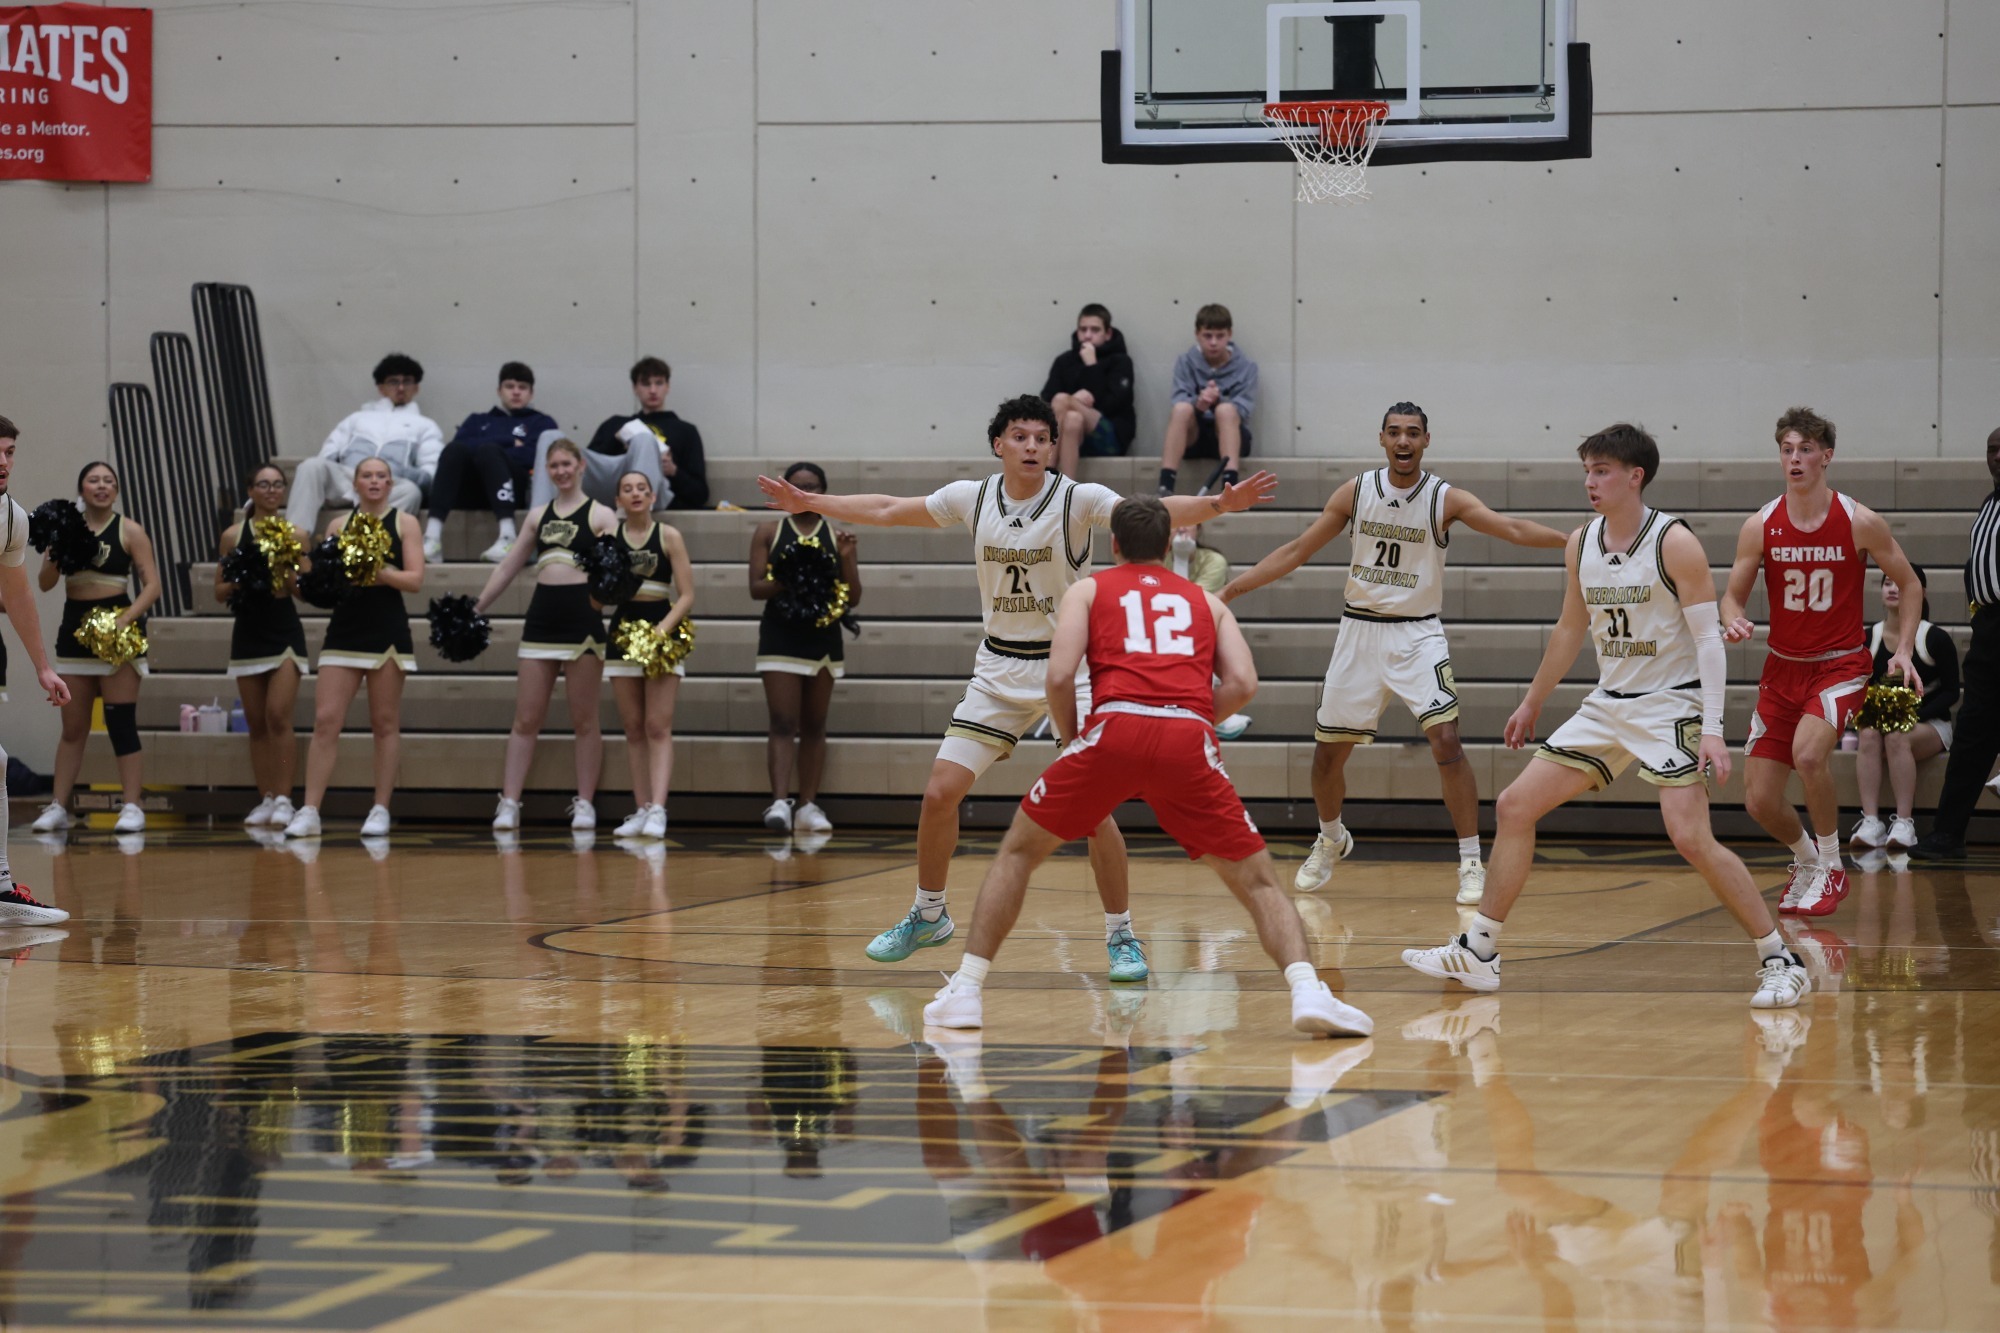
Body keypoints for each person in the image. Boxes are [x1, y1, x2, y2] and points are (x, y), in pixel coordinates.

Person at [756, 395, 1276, 977]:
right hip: (999, 669)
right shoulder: (972, 498)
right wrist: (809, 502)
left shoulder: (1076, 500)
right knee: (938, 794)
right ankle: (929, 914)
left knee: (1095, 813)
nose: (1032, 447)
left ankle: (1122, 936)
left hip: (1071, 670)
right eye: (1020, 437)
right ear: (999, 444)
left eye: (1041, 438)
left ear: (1054, 447)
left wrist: (1217, 505)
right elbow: (885, 507)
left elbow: (1150, 509)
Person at [920, 497, 1371, 1039]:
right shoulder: (1207, 601)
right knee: (1258, 884)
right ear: (1168, 544)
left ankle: (966, 993)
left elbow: (1059, 677)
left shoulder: (1088, 589)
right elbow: (1245, 684)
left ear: (1113, 545)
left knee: (1017, 854)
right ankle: (1306, 991)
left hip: (1112, 729)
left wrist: (1075, 738)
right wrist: (1197, 719)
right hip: (1187, 735)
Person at [1402, 423, 1812, 1009]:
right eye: (1587, 471)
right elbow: (1572, 627)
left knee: (1691, 837)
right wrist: (1533, 700)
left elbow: (1710, 642)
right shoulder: (1581, 542)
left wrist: (1716, 729)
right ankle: (1480, 951)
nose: (1590, 482)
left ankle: (1780, 958)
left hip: (1671, 703)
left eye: (1601, 471)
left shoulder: (1674, 542)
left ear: (1634, 476)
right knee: (1516, 806)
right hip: (1608, 704)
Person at [1223, 403, 1569, 903]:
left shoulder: (1444, 498)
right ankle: (1331, 837)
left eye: (1412, 433)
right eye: (1394, 433)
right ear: (1381, 439)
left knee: (1447, 741)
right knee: (1326, 759)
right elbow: (1297, 551)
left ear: (1427, 439)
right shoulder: (1356, 492)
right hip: (1359, 634)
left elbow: (1510, 528)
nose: (1403, 441)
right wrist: (1230, 592)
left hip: (1417, 635)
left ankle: (1471, 861)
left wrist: (1571, 543)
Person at [1719, 406, 1924, 916]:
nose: (1795, 459)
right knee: (1759, 800)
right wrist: (1734, 618)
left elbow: (1912, 582)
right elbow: (1730, 597)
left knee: (1809, 756)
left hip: (1840, 665)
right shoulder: (1760, 525)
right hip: (1782, 668)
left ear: (1826, 456)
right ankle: (1808, 860)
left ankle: (1832, 868)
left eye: (1805, 449)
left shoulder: (1858, 520)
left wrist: (1902, 649)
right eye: (1787, 450)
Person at [477, 438, 618, 834]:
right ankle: (509, 802)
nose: (560, 471)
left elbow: (616, 575)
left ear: (580, 466)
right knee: (526, 718)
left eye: (565, 464)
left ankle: (585, 803)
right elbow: (508, 567)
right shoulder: (537, 515)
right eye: (553, 465)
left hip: (582, 618)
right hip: (541, 618)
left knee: (584, 719)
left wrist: (600, 603)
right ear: (545, 471)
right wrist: (478, 607)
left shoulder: (602, 515)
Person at [283, 457, 426, 839]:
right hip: (345, 628)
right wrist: (293, 563)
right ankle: (310, 809)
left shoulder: (405, 523)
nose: (375, 481)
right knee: (326, 720)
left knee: (384, 723)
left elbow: (414, 580)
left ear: (391, 484)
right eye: (367, 475)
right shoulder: (337, 525)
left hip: (387, 628)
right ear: (356, 485)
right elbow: (323, 583)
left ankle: (380, 808)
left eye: (382, 475)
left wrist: (372, 568)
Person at [30, 460, 161, 836]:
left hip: (118, 635)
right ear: (82, 488)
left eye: (108, 481)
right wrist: (56, 548)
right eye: (93, 480)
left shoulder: (130, 530)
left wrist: (124, 620)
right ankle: (57, 807)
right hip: (74, 632)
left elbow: (152, 585)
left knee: (121, 722)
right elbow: (44, 583)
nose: (101, 486)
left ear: (116, 490)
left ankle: (133, 806)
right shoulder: (66, 527)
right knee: (73, 727)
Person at [750, 462, 860, 835]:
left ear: (822, 492)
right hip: (780, 634)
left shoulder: (837, 534)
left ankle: (808, 806)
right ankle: (780, 802)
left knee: (815, 724)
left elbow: (853, 597)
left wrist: (845, 559)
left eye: (810, 487)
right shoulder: (769, 531)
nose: (802, 493)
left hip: (824, 638)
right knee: (782, 721)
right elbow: (755, 588)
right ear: (785, 491)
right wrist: (791, 573)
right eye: (795, 487)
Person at [1913, 426, 2000, 860]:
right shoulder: (1989, 504)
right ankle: (1948, 834)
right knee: (1973, 733)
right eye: (1992, 449)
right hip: (1988, 629)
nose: (1998, 456)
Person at [0, 415, 74, 927]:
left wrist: (43, 667)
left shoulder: (10, 517)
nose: (4, 462)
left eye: (9, 453)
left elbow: (17, 592)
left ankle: (2, 889)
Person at [215, 463, 310, 830]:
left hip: (284, 628)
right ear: (251, 490)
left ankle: (285, 798)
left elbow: (306, 589)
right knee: (255, 723)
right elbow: (219, 591)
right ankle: (267, 797)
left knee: (278, 716)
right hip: (248, 631)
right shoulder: (232, 536)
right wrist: (245, 576)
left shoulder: (296, 534)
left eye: (277, 485)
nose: (271, 490)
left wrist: (284, 569)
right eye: (263, 484)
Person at [603, 470, 695, 840]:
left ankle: (658, 808)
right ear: (618, 501)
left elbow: (687, 594)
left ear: (652, 496)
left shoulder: (669, 535)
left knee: (658, 725)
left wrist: (661, 631)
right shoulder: (609, 539)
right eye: (628, 489)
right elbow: (598, 595)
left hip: (662, 627)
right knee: (633, 727)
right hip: (623, 629)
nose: (635, 494)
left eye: (642, 488)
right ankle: (640, 809)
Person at [1851, 566, 1958, 851]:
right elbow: (1858, 687)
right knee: (1869, 734)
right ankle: (1871, 822)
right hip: (1884, 729)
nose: (1893, 588)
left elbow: (1951, 692)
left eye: (1901, 583)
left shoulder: (1935, 639)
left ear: (1920, 593)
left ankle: (1904, 824)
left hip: (1931, 725)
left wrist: (1911, 716)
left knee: (1897, 736)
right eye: (1888, 582)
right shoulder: (1868, 638)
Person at [424, 361, 558, 564]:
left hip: (513, 488)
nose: (515, 392)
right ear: (499, 390)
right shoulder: (478, 420)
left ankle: (507, 537)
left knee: (488, 451)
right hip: (473, 489)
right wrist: (509, 442)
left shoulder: (541, 422)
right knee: (453, 451)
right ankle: (432, 537)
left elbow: (532, 457)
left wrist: (490, 450)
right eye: (510, 386)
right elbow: (460, 448)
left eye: (522, 388)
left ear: (531, 393)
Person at [287, 353, 440, 530]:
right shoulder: (357, 418)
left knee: (411, 491)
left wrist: (395, 472)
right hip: (349, 479)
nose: (400, 387)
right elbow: (329, 451)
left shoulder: (426, 426)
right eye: (393, 381)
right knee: (311, 466)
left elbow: (429, 472)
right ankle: (295, 539)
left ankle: (373, 543)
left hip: (389, 484)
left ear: (416, 388)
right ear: (381, 388)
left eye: (407, 381)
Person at [539, 356, 710, 512]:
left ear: (667, 387)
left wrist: (673, 471)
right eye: (645, 384)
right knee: (550, 437)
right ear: (635, 388)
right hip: (609, 486)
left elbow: (700, 495)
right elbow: (589, 468)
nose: (652, 390)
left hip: (654, 492)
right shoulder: (615, 424)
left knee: (643, 440)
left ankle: (633, 526)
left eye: (658, 383)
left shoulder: (685, 430)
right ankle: (540, 523)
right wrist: (616, 442)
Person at [1158, 304, 1256, 497]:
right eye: (1208, 336)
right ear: (1197, 334)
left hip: (1229, 434)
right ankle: (1165, 485)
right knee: (1181, 409)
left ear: (1229, 334)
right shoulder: (1185, 362)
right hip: (1193, 435)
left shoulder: (1247, 367)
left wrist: (1219, 401)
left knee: (1226, 411)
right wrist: (1199, 404)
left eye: (1219, 336)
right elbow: (1179, 398)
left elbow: (1244, 408)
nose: (1213, 342)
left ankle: (1231, 487)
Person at [1042, 303, 1137, 479]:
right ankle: (1066, 488)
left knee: (1063, 399)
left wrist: (1092, 366)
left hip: (1110, 437)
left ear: (1107, 333)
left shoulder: (1121, 361)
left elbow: (1111, 405)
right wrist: (1074, 402)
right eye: (1083, 329)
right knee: (1072, 418)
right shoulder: (1064, 361)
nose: (1087, 335)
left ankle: (1047, 471)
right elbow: (1046, 403)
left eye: (1094, 330)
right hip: (1070, 437)